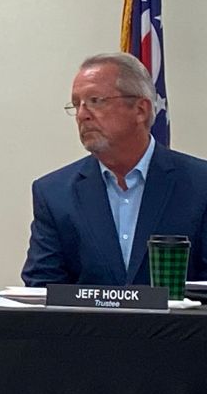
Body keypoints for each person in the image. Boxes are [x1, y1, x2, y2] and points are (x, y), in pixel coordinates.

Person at [22, 52, 207, 286]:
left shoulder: (199, 186)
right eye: (77, 104)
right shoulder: (54, 193)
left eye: (95, 101)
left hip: (178, 324)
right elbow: (42, 287)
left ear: (140, 110)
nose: (82, 115)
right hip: (87, 324)